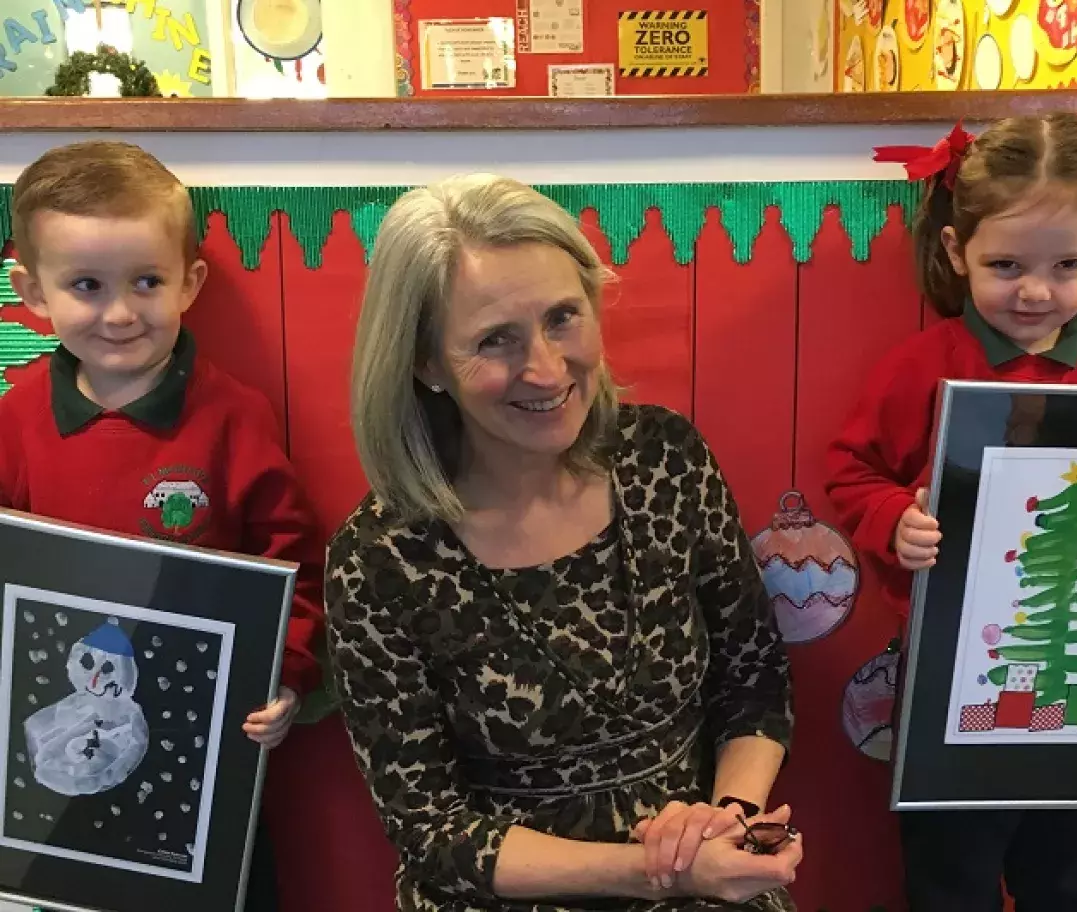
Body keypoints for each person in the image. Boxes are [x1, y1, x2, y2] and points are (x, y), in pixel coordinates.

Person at [324, 173, 801, 912]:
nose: (546, 369)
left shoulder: (666, 458)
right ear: (426, 364)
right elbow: (432, 830)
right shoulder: (379, 558)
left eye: (562, 318)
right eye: (494, 341)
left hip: (704, 870)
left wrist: (727, 819)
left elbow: (754, 680)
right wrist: (655, 871)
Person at [825, 113, 1077, 912]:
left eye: (1068, 265)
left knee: (1069, 871)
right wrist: (893, 519)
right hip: (953, 669)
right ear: (956, 252)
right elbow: (851, 470)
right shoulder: (921, 366)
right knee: (954, 869)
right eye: (1005, 264)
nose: (1036, 290)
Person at [0, 140, 326, 909]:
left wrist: (282, 674)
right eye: (86, 285)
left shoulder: (233, 417)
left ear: (190, 282)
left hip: (204, 756)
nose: (120, 312)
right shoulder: (14, 422)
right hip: (51, 767)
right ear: (31, 292)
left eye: (147, 281)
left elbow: (294, 564)